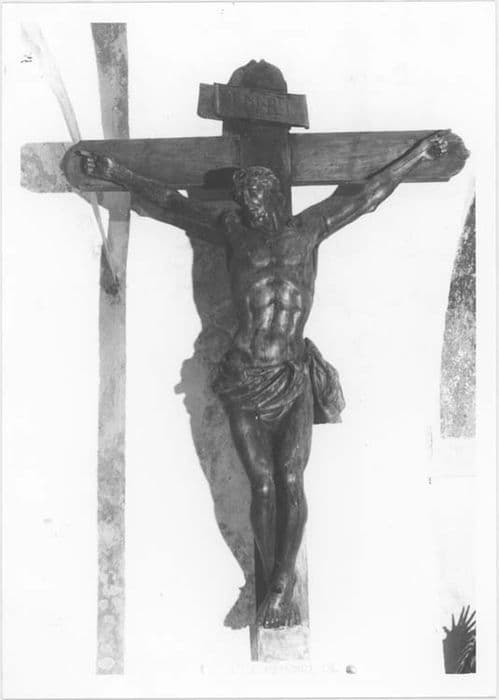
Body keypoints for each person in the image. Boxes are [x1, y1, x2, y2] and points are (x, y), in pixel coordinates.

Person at [77, 131, 448, 628]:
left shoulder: (308, 228)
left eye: (254, 192)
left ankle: (280, 584)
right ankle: (268, 580)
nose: (247, 202)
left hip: (291, 376)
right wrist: (114, 172)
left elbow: (365, 197)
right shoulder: (233, 232)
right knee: (264, 485)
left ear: (273, 194)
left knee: (292, 477)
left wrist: (417, 156)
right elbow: (170, 204)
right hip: (245, 377)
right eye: (243, 195)